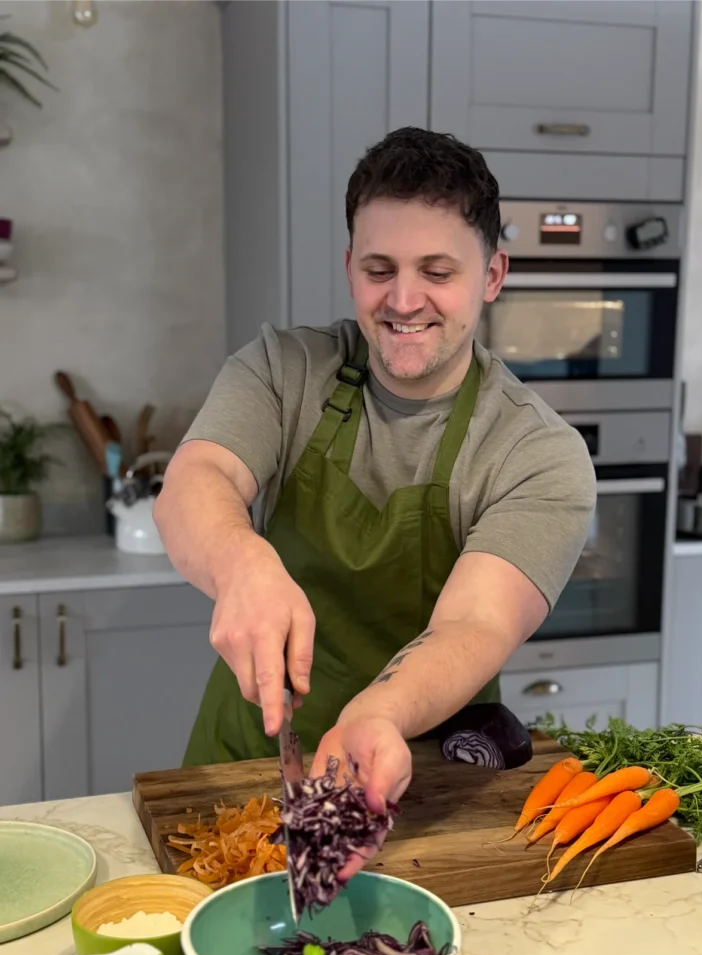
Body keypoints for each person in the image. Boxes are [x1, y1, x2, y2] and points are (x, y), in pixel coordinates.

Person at [154, 126, 596, 878]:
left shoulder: (538, 454)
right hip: (246, 765)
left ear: (492, 275)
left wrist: (380, 712)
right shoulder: (281, 369)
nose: (403, 299)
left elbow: (475, 623)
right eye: (379, 268)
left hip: (417, 781)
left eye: (437, 271)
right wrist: (241, 562)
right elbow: (195, 483)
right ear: (350, 268)